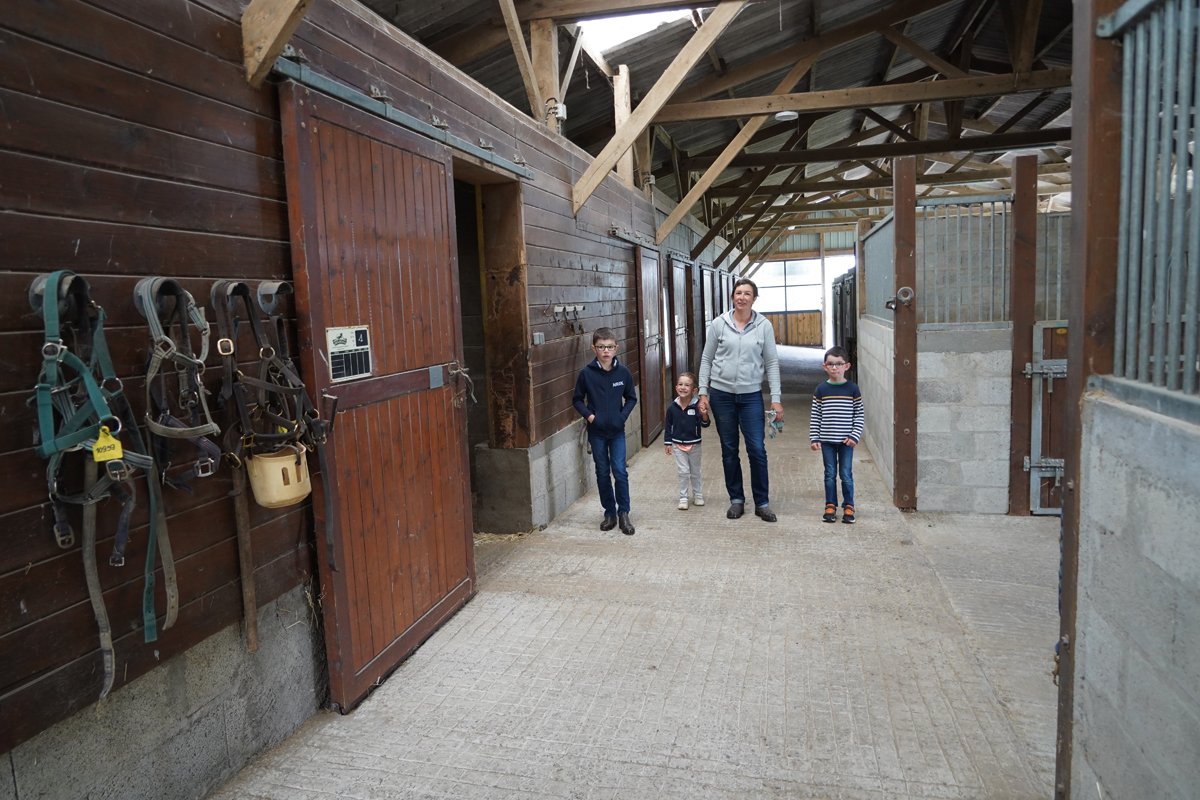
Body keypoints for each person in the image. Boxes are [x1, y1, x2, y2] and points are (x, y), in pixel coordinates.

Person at [697, 278, 783, 522]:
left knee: (756, 448)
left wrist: (776, 398)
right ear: (732, 296)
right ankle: (736, 500)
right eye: (738, 293)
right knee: (729, 449)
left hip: (751, 395)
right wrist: (703, 392)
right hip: (721, 395)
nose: (742, 297)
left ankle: (762, 503)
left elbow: (771, 363)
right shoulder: (719, 324)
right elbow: (706, 359)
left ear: (754, 298)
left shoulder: (763, 325)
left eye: (747, 293)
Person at [573, 327, 638, 535]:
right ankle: (609, 513)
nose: (606, 351)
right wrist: (591, 417)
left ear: (616, 348)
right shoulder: (586, 374)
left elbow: (631, 398)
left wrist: (621, 417)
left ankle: (624, 513)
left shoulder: (623, 373)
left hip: (617, 432)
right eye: (601, 347)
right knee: (602, 471)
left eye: (609, 347)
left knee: (619, 471)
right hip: (597, 433)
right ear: (594, 349)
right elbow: (577, 400)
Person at [809, 346, 864, 524]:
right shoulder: (821, 390)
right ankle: (830, 505)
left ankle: (849, 505)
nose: (834, 367)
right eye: (830, 364)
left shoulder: (853, 389)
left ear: (846, 366)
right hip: (827, 441)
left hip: (846, 441)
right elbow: (816, 415)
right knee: (829, 474)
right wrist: (815, 437)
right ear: (824, 366)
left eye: (838, 364)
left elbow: (859, 415)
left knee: (846, 474)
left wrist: (854, 436)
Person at [663, 372, 709, 510]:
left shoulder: (697, 406)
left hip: (695, 444)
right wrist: (668, 442)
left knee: (695, 471)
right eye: (680, 384)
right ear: (676, 387)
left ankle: (698, 495)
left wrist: (704, 414)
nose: (683, 387)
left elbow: (706, 424)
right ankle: (683, 498)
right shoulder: (672, 408)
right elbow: (668, 426)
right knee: (683, 471)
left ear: (694, 390)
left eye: (687, 385)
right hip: (678, 445)